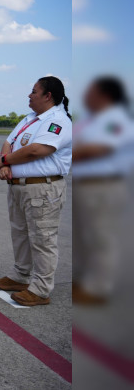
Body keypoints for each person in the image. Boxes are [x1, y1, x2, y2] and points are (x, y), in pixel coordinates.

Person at [0, 76, 73, 307]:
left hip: (42, 189)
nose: (29, 95)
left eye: (34, 91)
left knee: (43, 239)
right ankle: (20, 276)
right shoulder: (30, 119)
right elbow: (9, 141)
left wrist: (3, 161)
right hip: (19, 187)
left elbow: (37, 150)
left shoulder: (58, 120)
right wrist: (6, 163)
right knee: (21, 234)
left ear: (48, 96)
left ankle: (41, 289)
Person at [72, 77, 133, 305]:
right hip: (86, 186)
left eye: (90, 91)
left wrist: (68, 157)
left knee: (101, 237)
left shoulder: (115, 120)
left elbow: (96, 149)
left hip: (103, 186)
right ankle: (83, 281)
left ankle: (99, 288)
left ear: (105, 95)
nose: (86, 96)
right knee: (82, 238)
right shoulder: (92, 120)